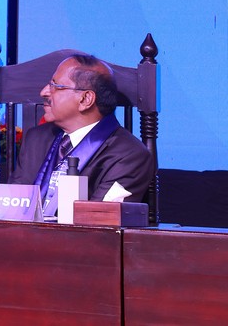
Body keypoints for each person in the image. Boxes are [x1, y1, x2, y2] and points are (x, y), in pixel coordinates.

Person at [10, 54, 155, 217]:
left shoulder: (130, 156)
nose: (44, 92)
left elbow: (99, 220)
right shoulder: (36, 138)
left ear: (85, 99)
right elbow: (12, 205)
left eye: (55, 86)